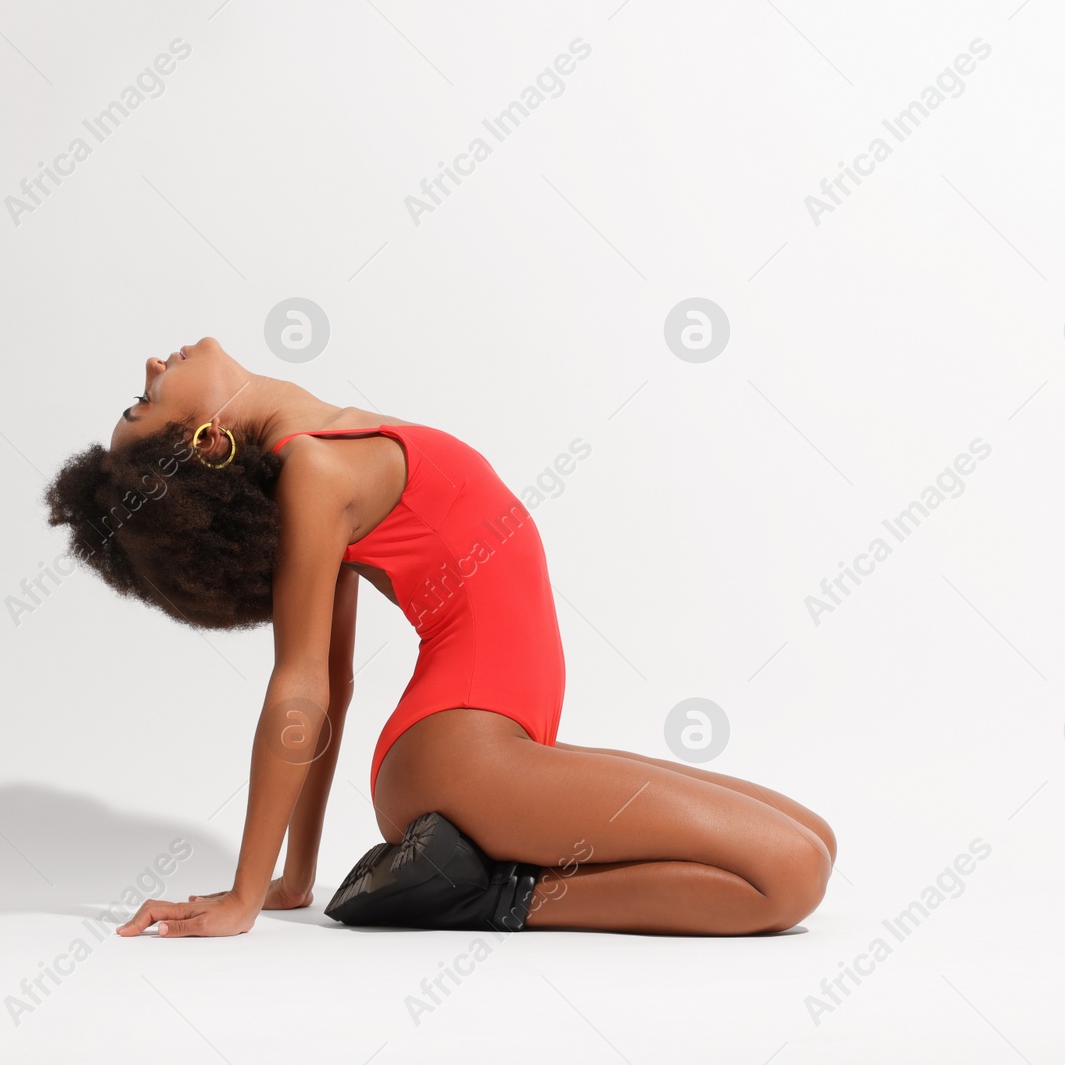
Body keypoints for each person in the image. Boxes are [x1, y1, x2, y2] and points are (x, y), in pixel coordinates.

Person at [45, 336, 835, 937]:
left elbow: (338, 682)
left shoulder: (323, 456)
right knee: (788, 876)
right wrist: (248, 895)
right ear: (205, 440)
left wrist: (298, 877)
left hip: (505, 743)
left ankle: (471, 871)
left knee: (816, 840)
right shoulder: (314, 473)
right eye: (141, 402)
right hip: (463, 754)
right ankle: (501, 894)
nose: (153, 363)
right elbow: (302, 686)